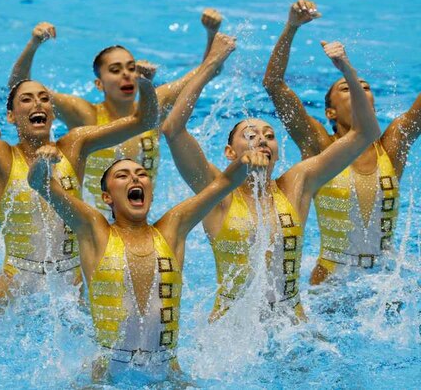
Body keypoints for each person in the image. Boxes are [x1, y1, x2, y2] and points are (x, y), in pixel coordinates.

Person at [161, 35, 380, 321]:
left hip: (292, 328)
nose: (262, 140)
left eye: (270, 136)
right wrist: (212, 62)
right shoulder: (216, 192)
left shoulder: (296, 184)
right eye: (250, 136)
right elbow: (173, 130)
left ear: (277, 151)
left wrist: (347, 70)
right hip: (232, 333)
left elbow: (366, 133)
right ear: (230, 152)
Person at [0, 60, 159, 305]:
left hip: (69, 281)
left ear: (52, 113)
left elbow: (145, 121)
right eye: (26, 99)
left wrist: (146, 84)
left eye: (44, 98)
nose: (37, 104)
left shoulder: (74, 146)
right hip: (16, 282)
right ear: (10, 116)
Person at [27, 148, 267, 381]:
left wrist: (243, 162)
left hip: (167, 377)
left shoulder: (172, 229)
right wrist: (42, 162)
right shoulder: (94, 231)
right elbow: (40, 183)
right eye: (122, 175)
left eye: (141, 174)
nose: (134, 177)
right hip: (107, 379)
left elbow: (223, 183)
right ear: (107, 197)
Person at [262, 0, 421, 283]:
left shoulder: (392, 146)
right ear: (330, 112)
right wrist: (291, 28)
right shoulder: (320, 149)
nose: (361, 92)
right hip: (332, 278)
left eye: (366, 88)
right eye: (348, 88)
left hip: (386, 280)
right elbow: (273, 84)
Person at [7, 9, 222, 217]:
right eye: (115, 70)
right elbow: (20, 86)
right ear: (99, 84)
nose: (126, 75)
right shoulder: (85, 115)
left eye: (131, 68)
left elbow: (207, 72)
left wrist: (211, 34)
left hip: (138, 217)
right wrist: (33, 44)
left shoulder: (155, 103)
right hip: (93, 223)